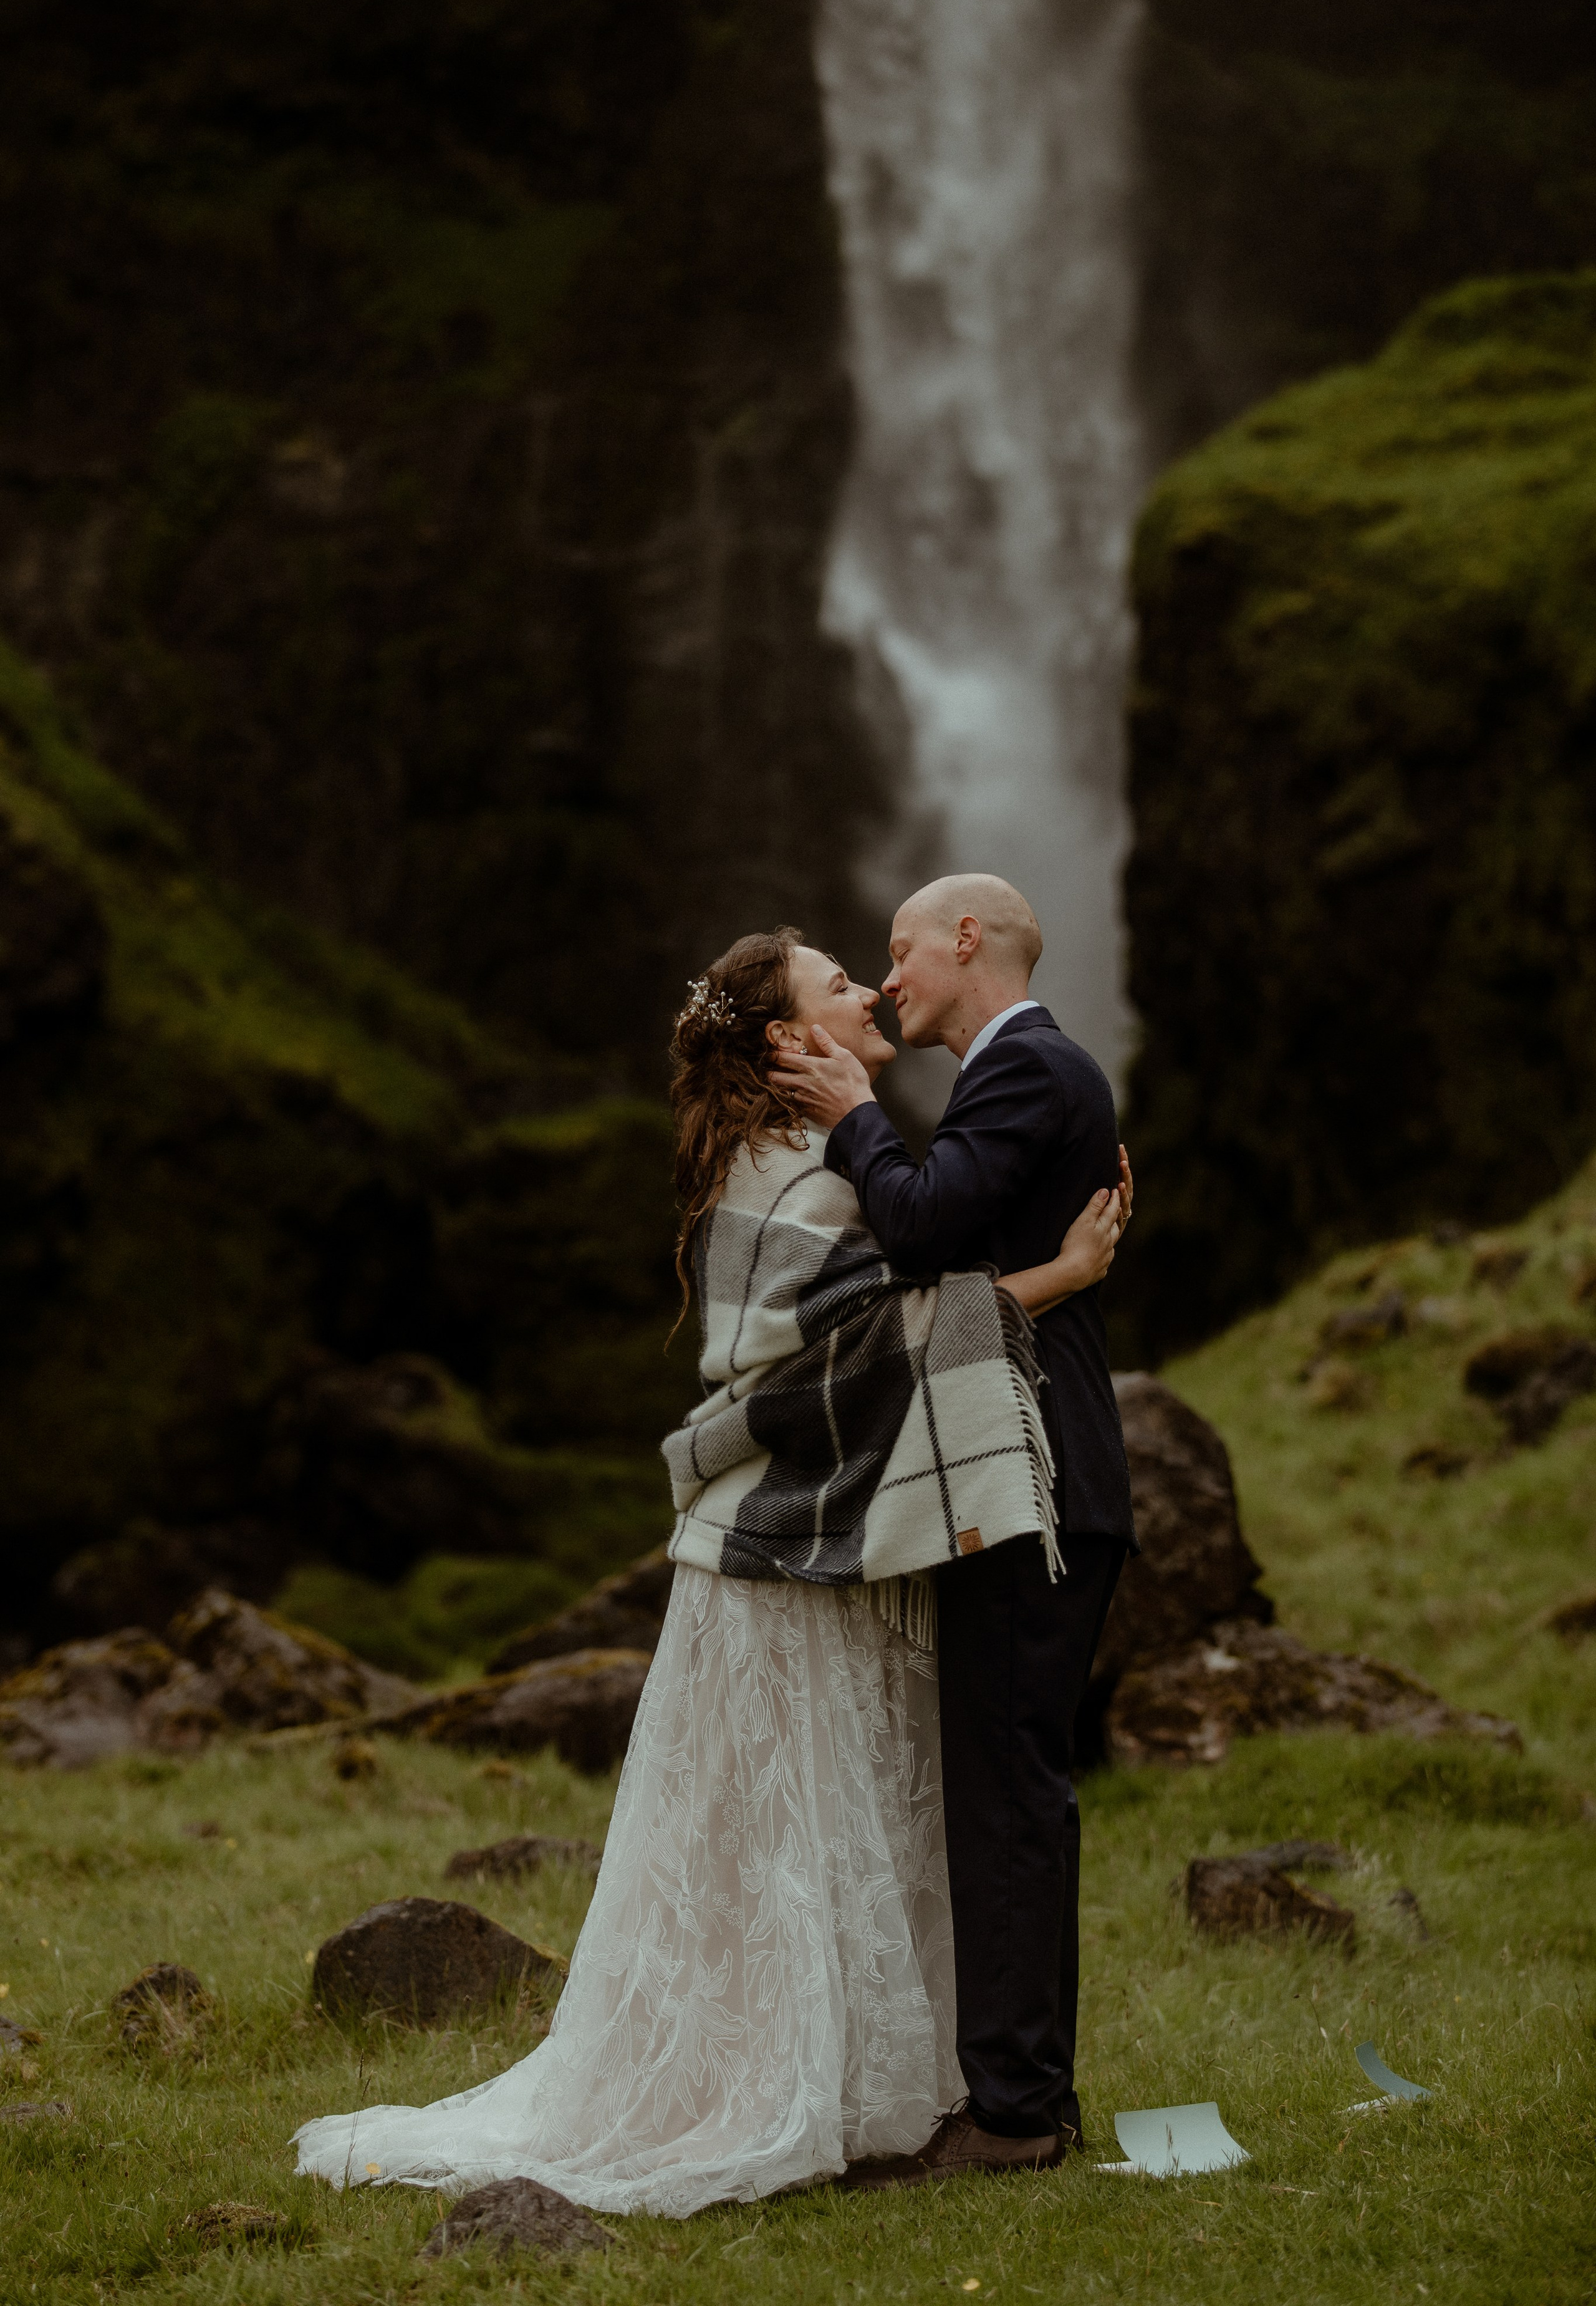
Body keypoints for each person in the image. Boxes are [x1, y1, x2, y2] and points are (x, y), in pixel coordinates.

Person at [292, 925, 1126, 2217]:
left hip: (818, 1555)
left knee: (818, 1829)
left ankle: (867, 2081)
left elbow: (898, 1296)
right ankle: (777, 2085)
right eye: (841, 984)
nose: (869, 993)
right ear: (791, 1039)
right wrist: (1065, 1272)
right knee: (775, 1838)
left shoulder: (821, 1151)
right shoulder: (793, 1169)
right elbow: (850, 1357)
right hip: (781, 1560)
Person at [772, 876, 1137, 2183]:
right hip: (1028, 1486)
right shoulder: (1027, 1076)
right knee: (1013, 1797)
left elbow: (921, 1228)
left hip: (1029, 1487)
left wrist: (857, 1116)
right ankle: (1029, 2099)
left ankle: (1015, 2118)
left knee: (1005, 1801)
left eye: (900, 950)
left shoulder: (1025, 1068)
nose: (884, 981)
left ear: (966, 939)